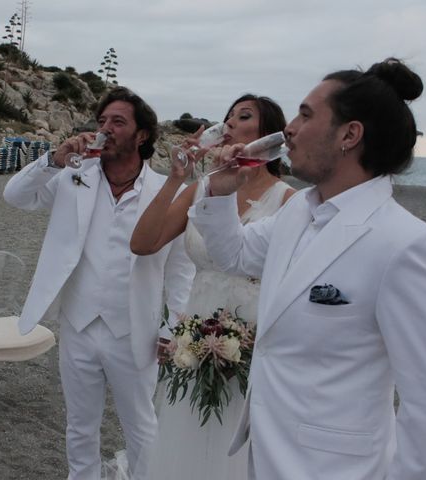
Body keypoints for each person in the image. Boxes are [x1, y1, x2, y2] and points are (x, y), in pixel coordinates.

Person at [188, 58, 426, 480]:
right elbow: (236, 255)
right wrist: (221, 193)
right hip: (267, 455)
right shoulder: (300, 208)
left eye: (305, 115)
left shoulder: (407, 245)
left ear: (349, 135)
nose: (290, 130)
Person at [3, 86, 195, 480]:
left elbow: (181, 267)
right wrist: (54, 160)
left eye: (117, 121)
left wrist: (172, 325)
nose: (105, 128)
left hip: (134, 329)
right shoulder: (74, 177)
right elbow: (14, 196)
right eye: (102, 121)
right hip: (78, 322)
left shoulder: (164, 190)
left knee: (141, 426)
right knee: (79, 425)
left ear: (142, 135)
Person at [130, 94, 295, 479]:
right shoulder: (202, 188)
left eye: (243, 116)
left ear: (267, 135)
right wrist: (177, 178)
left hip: (252, 341)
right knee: (187, 433)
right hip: (193, 333)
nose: (229, 124)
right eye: (228, 117)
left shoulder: (289, 202)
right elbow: (142, 243)